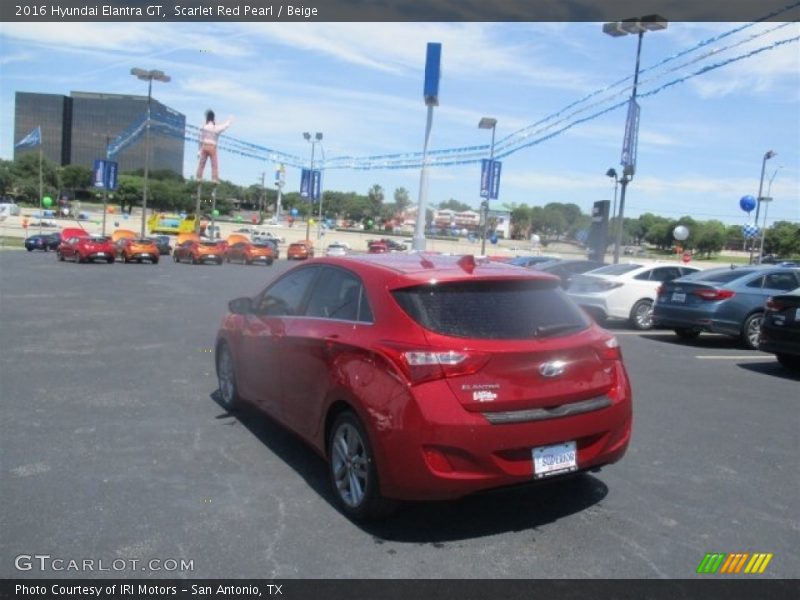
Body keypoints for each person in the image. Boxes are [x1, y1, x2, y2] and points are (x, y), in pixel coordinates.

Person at [196, 110, 233, 184]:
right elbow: (224, 127)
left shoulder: (203, 127)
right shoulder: (215, 128)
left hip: (204, 146)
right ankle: (214, 179)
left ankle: (198, 177)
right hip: (212, 147)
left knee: (201, 163)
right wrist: (229, 120)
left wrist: (199, 150)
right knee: (214, 164)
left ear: (207, 118)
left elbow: (200, 139)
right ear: (213, 118)